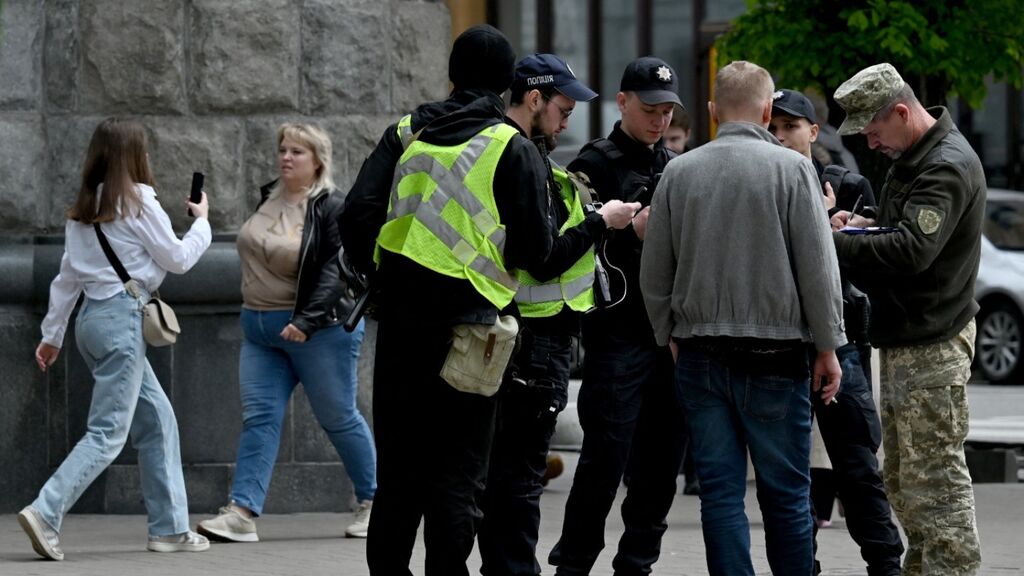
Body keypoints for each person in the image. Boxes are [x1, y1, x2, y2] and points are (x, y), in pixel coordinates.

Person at [338, 25, 553, 576]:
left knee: (399, 479)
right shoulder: (512, 146)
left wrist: (384, 273)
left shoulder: (406, 133)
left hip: (403, 328)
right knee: (457, 479)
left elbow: (357, 214)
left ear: (452, 75)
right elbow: (537, 253)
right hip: (474, 335)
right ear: (508, 85)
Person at [640, 60, 845, 576]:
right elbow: (818, 270)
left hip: (701, 351)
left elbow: (655, 271)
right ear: (769, 109)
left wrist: (668, 332)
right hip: (776, 353)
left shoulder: (679, 171)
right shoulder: (794, 170)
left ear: (711, 112)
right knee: (786, 495)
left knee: (721, 494)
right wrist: (828, 346)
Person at [21, 117, 213, 560]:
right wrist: (202, 222)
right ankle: (45, 512)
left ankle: (169, 529)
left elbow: (66, 279)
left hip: (90, 322)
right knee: (108, 433)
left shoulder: (86, 206)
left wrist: (52, 335)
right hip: (124, 322)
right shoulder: (140, 202)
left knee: (158, 420)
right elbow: (180, 259)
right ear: (135, 156)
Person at [477, 53, 638, 576]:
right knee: (520, 477)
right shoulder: (520, 153)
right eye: (562, 109)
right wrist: (601, 223)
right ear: (533, 99)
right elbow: (542, 259)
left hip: (514, 335)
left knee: (502, 473)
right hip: (534, 341)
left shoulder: (500, 148)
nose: (567, 120)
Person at [830, 62, 986, 576]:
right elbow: (903, 229)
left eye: (874, 132)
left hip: (932, 343)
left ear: (901, 111)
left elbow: (914, 249)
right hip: (911, 337)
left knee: (934, 485)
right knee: (903, 479)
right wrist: (863, 225)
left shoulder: (944, 164)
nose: (871, 145)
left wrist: (830, 243)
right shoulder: (917, 156)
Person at [196, 123, 376, 543]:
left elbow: (337, 269)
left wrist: (306, 320)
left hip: (318, 333)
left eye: (297, 151)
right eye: (282, 149)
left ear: (318, 161)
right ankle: (241, 512)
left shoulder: (331, 206)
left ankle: (374, 501)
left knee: (338, 416)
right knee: (259, 419)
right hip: (260, 331)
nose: (286, 157)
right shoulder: (268, 198)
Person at [547, 56, 688, 576]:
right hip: (617, 336)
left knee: (661, 466)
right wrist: (625, 231)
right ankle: (573, 565)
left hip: (667, 338)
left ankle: (637, 564)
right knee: (604, 463)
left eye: (669, 111)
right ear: (623, 101)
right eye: (650, 108)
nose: (660, 120)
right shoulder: (595, 163)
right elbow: (570, 246)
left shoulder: (675, 166)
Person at [770, 88, 904, 576]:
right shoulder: (761, 184)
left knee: (858, 467)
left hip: (842, 342)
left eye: (791, 127)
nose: (782, 137)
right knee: (789, 473)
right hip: (781, 343)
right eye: (775, 127)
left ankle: (886, 564)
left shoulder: (846, 184)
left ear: (812, 130)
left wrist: (833, 227)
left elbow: (874, 268)